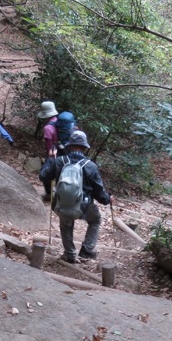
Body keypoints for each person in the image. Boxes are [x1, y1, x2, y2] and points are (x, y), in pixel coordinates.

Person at [39, 130, 112, 264]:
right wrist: (108, 199)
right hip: (84, 206)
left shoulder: (59, 161)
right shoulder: (91, 166)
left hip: (62, 204)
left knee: (66, 224)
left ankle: (70, 254)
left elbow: (43, 176)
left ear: (69, 146)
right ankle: (86, 251)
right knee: (95, 220)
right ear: (84, 148)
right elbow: (99, 193)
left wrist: (50, 159)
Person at [37, 101, 59, 201]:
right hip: (64, 153)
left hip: (53, 154)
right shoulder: (59, 122)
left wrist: (49, 157)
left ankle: (49, 194)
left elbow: (49, 145)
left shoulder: (48, 128)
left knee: (45, 173)